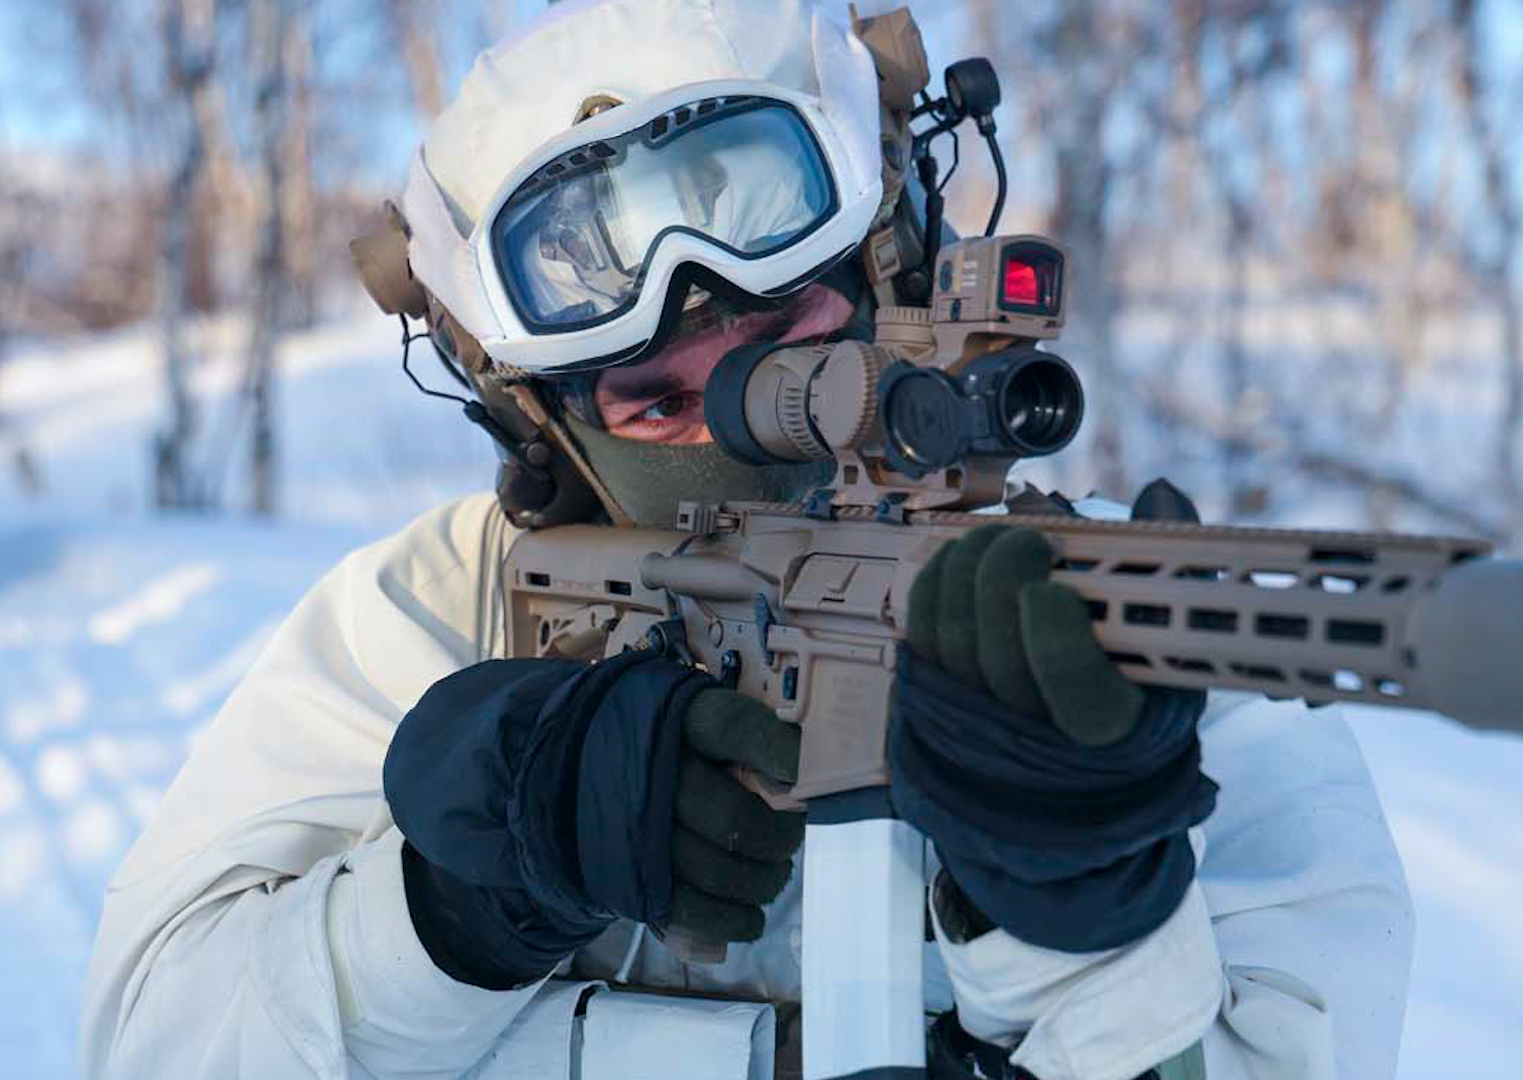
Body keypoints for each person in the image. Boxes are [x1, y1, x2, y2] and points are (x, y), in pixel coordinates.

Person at [79, 2, 1415, 1078]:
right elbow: (153, 1046)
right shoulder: (434, 613)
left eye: (793, 349)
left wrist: (1084, 909)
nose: (743, 434)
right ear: (542, 425)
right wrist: (453, 908)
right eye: (657, 405)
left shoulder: (1107, 620)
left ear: (892, 275)